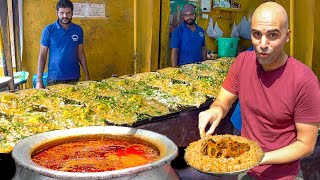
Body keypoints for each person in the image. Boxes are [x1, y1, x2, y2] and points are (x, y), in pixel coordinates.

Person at [198, 2, 320, 180]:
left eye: (272, 35)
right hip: (246, 171)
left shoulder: (304, 80)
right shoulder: (242, 62)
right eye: (257, 34)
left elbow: (306, 145)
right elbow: (223, 101)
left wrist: (259, 158)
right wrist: (215, 110)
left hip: (283, 176)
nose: (263, 44)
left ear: (287, 36)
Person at [36, 0, 90, 88]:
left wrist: (87, 75)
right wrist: (39, 80)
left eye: (68, 13)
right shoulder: (49, 30)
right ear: (57, 13)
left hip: (74, 77)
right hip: (54, 78)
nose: (65, 16)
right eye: (62, 13)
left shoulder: (78, 30)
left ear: (72, 13)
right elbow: (42, 55)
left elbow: (81, 53)